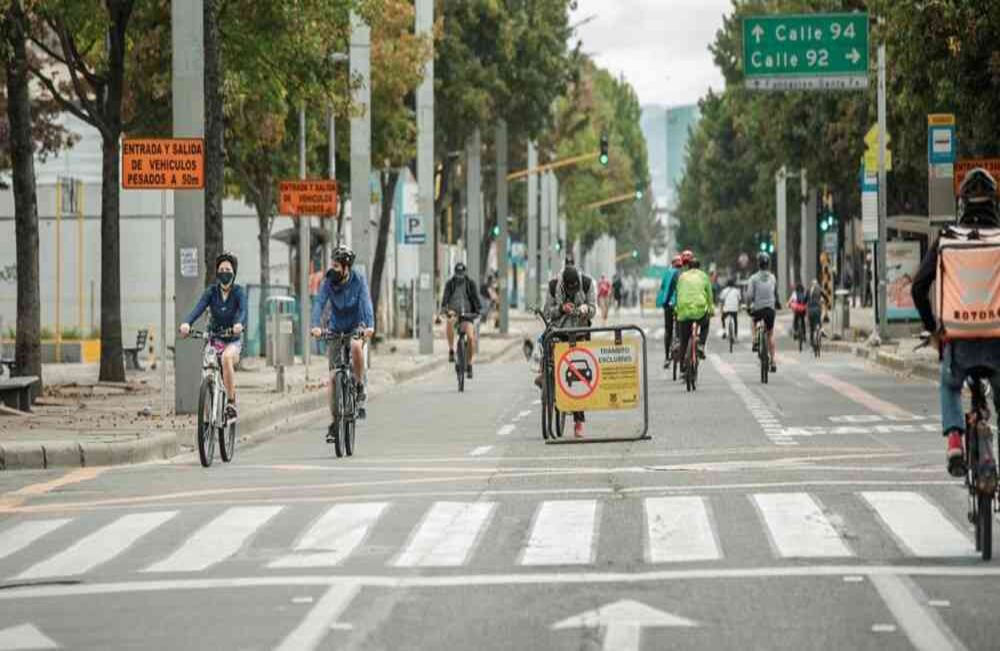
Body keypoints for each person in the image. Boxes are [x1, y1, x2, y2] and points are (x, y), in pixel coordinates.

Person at [912, 167, 1000, 477]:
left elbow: (917, 288)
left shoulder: (947, 239)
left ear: (962, 204)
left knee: (949, 386)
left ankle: (953, 440)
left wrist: (933, 329)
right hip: (997, 343)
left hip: (958, 343)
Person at [179, 252, 247, 422]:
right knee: (208, 363)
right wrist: (187, 323)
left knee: (225, 359)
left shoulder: (238, 292)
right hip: (215, 337)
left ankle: (231, 404)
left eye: (228, 269)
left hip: (233, 339)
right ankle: (210, 397)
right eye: (221, 269)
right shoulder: (211, 292)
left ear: (234, 273)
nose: (225, 272)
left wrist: (238, 325)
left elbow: (244, 311)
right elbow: (198, 308)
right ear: (217, 272)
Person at [310, 245, 375, 423]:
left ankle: (360, 385)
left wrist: (369, 326)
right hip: (336, 328)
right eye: (333, 265)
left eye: (337, 266)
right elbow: (319, 303)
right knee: (333, 378)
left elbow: (366, 304)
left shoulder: (359, 281)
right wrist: (316, 325)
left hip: (356, 326)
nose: (334, 269)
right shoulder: (328, 282)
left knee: (355, 346)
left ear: (347, 267)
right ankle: (334, 422)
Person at [543, 265, 596, 438]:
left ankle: (578, 421)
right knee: (545, 347)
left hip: (580, 332)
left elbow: (593, 309)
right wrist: (560, 309)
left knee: (578, 377)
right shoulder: (553, 287)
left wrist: (586, 310)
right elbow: (547, 312)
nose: (572, 291)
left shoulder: (587, 284)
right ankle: (543, 375)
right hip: (559, 332)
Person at [440, 262, 482, 377]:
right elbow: (445, 299)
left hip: (468, 315)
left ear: (465, 273)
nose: (460, 277)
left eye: (461, 274)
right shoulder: (450, 284)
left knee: (471, 337)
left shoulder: (470, 284)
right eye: (458, 274)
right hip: (454, 313)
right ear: (455, 274)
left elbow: (476, 299)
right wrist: (445, 309)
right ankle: (451, 350)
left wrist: (478, 311)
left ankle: (469, 364)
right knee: (449, 322)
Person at [675, 251, 713, 366]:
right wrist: (710, 309)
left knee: (684, 340)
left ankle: (682, 365)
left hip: (684, 312)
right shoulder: (704, 276)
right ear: (699, 267)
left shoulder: (682, 277)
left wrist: (677, 309)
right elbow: (710, 295)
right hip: (700, 311)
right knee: (705, 324)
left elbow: (678, 293)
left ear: (688, 267)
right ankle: (701, 344)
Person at [747, 252, 780, 373]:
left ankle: (755, 339)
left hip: (758, 310)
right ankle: (773, 361)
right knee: (770, 334)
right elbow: (775, 293)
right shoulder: (773, 277)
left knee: (753, 321)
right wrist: (777, 303)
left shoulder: (753, 278)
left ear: (758, 264)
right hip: (770, 310)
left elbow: (750, 295)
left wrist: (748, 305)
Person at [656, 256, 682, 366]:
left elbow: (662, 288)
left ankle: (667, 358)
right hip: (679, 305)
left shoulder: (667, 274)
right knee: (680, 329)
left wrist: (664, 302)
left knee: (668, 330)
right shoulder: (681, 275)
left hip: (668, 305)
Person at [806, 279, 824, 347]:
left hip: (810, 310)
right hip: (817, 310)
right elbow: (825, 297)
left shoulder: (808, 290)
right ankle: (819, 338)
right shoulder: (819, 289)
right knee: (818, 323)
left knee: (811, 327)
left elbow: (805, 300)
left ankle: (811, 341)